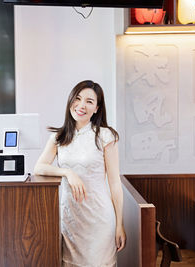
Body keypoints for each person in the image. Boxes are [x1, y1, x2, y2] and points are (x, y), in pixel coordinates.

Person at [34, 80, 126, 267]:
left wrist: (119, 224)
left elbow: (115, 184)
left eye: (89, 101)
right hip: (70, 219)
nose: (81, 105)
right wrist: (68, 172)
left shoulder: (105, 135)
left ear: (97, 108)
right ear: (70, 102)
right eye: (77, 99)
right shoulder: (59, 137)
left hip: (99, 219)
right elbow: (39, 167)